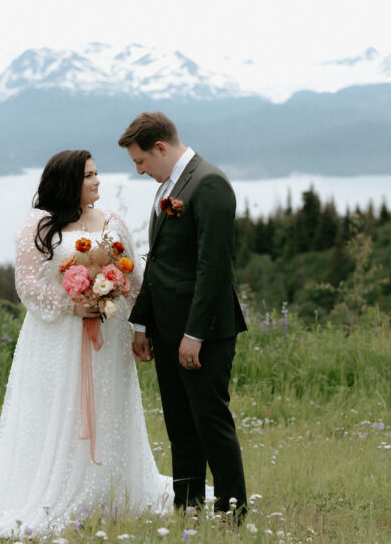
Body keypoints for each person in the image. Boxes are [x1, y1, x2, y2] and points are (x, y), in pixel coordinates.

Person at [0, 149, 174, 537]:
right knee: (61, 409)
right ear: (69, 181)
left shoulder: (113, 222)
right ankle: (53, 492)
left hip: (107, 333)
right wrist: (72, 308)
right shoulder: (39, 225)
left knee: (110, 408)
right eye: (89, 175)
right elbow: (27, 285)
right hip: (57, 336)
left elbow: (135, 280)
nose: (97, 181)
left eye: (96, 174)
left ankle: (113, 489)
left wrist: (135, 320)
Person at [118, 111, 248, 523]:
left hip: (202, 331)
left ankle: (232, 511)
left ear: (160, 148)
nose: (139, 171)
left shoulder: (209, 183)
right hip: (167, 327)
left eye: (140, 161)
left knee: (210, 420)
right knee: (180, 423)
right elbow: (159, 264)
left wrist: (195, 333)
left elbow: (213, 268)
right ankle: (187, 506)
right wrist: (142, 325)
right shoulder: (170, 186)